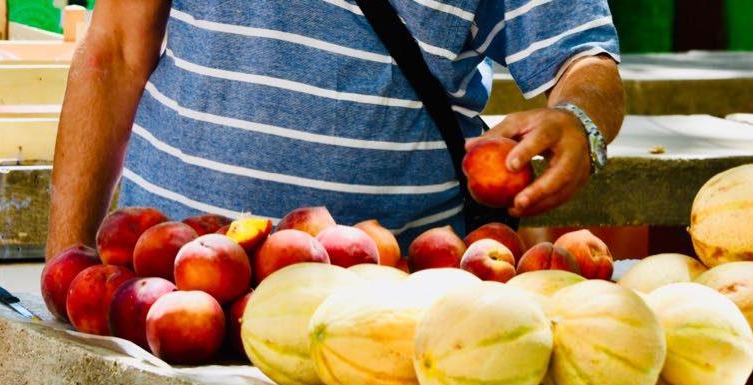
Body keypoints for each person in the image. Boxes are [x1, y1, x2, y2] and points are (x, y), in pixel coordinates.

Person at [45, 0, 625, 258]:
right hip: (164, 292)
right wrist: (62, 270)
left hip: (383, 313)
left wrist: (579, 120)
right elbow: (114, 53)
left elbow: (585, 59)